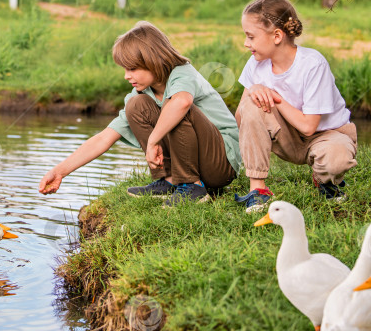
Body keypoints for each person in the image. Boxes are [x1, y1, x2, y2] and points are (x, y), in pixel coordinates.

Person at [38, 21, 242, 205]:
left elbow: (182, 102)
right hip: (200, 161)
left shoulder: (182, 73)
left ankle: (193, 186)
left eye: (133, 68)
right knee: (135, 105)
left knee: (176, 107)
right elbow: (104, 138)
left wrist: (153, 141)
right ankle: (170, 181)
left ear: (154, 60)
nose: (127, 76)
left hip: (221, 162)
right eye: (125, 69)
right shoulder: (143, 93)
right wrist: (60, 171)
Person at [234, 0, 357, 213]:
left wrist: (273, 96)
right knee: (252, 104)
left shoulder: (312, 64)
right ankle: (258, 190)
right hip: (287, 138)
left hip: (326, 134)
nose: (246, 43)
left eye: (251, 36)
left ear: (277, 36)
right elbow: (241, 118)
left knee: (335, 160)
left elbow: (309, 126)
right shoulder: (255, 64)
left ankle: (325, 180)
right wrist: (253, 91)